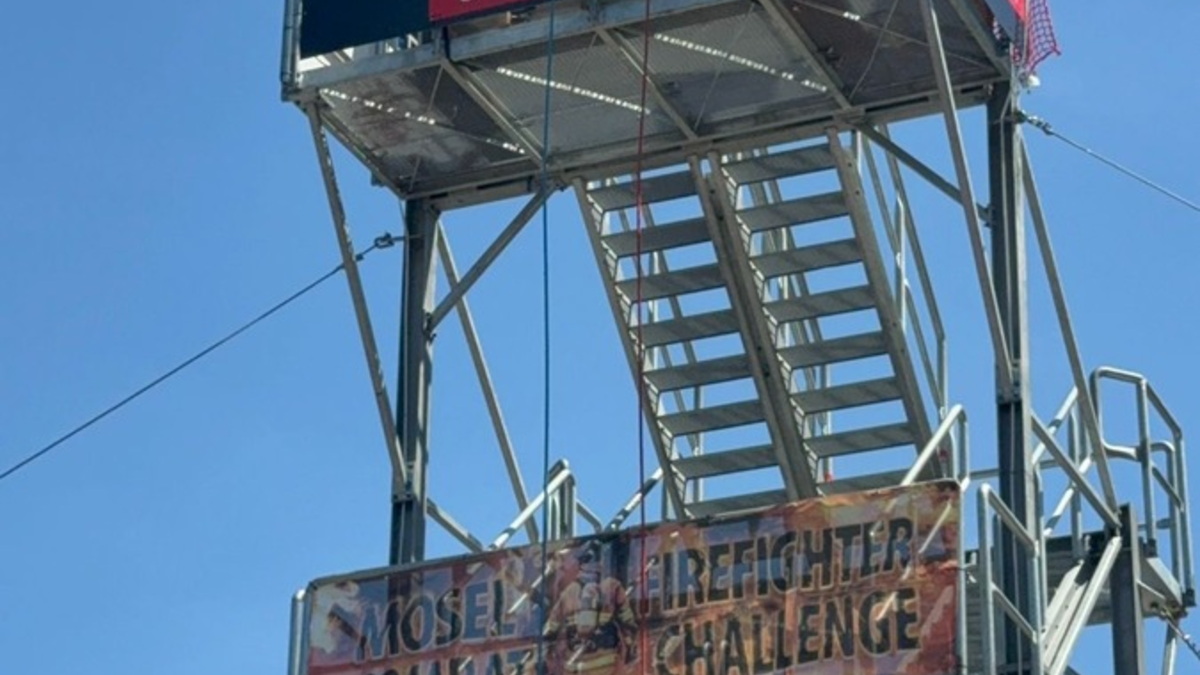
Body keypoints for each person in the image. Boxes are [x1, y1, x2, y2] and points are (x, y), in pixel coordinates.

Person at [544, 541, 639, 675]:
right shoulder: (612, 587)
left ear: (581, 564)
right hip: (605, 662)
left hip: (575, 665)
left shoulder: (569, 593)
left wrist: (549, 657)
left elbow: (550, 630)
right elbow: (628, 624)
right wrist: (630, 650)